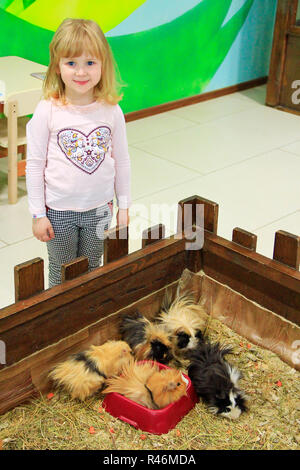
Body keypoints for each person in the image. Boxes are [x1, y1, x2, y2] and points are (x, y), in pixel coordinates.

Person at [26, 18, 131, 288]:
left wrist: (124, 206)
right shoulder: (47, 110)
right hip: (59, 211)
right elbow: (35, 165)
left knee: (92, 267)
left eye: (90, 63)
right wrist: (38, 214)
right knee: (60, 273)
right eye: (71, 63)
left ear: (103, 65)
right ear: (57, 67)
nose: (81, 72)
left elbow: (122, 161)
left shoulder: (111, 110)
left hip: (100, 208)